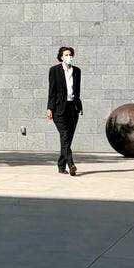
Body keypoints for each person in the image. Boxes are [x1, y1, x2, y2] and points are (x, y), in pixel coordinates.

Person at [46, 47, 83, 176]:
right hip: (59, 109)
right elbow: (52, 91)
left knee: (68, 138)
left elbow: (77, 91)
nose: (68, 56)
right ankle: (71, 164)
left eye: (70, 54)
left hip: (73, 108)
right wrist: (49, 108)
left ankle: (61, 165)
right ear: (61, 57)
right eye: (66, 54)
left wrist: (78, 106)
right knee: (65, 135)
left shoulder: (77, 71)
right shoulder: (54, 70)